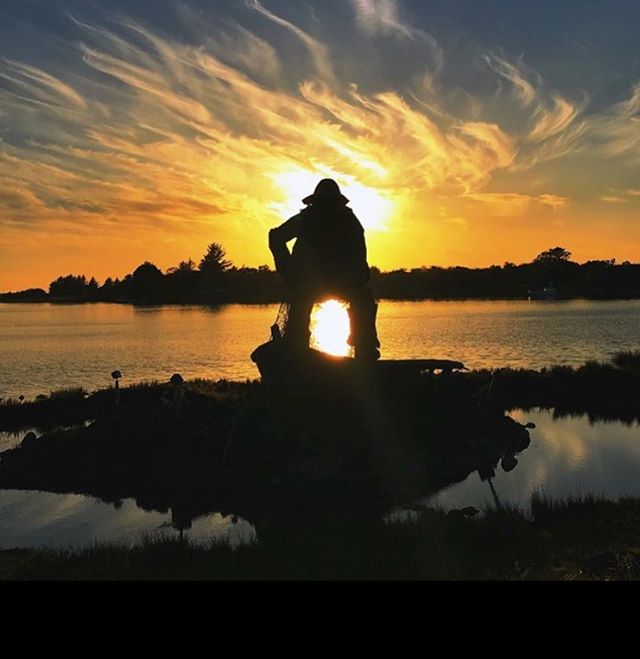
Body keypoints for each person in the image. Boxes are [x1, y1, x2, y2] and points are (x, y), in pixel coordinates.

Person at [269, 178, 381, 359]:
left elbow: (360, 256)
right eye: (323, 204)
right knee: (300, 304)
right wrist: (289, 269)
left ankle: (365, 347)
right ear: (315, 204)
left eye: (330, 204)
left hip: (341, 281)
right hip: (308, 281)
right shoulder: (305, 219)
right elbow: (275, 237)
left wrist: (357, 276)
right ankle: (296, 348)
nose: (327, 209)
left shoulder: (349, 221)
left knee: (363, 298)